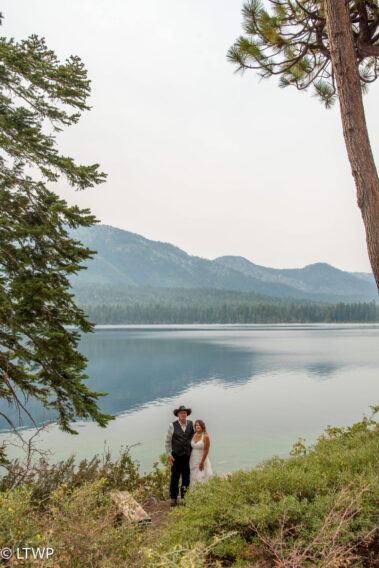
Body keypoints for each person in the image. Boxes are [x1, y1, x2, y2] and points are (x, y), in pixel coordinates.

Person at [165, 405, 194, 507]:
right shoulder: (172, 425)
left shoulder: (191, 424)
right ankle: (173, 498)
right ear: (178, 414)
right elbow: (167, 442)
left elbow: (194, 437)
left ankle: (184, 498)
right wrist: (169, 455)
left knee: (186, 478)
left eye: (184, 413)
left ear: (186, 414)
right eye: (181, 413)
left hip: (187, 456)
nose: (183, 414)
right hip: (176, 456)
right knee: (174, 478)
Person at [189, 419, 212, 485]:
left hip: (201, 459)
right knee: (193, 476)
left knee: (201, 477)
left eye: (199, 425)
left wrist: (202, 462)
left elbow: (206, 450)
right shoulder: (194, 434)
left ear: (202, 426)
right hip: (193, 459)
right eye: (196, 425)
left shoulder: (205, 436)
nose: (197, 426)